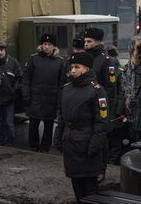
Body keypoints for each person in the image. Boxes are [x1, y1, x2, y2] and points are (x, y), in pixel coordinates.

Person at [53, 52, 109, 203]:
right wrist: (58, 138)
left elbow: (101, 122)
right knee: (77, 187)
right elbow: (62, 118)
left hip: (87, 147)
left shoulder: (97, 90)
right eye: (72, 67)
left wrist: (94, 146)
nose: (72, 70)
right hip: (71, 145)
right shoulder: (66, 88)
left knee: (90, 193)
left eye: (77, 67)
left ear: (86, 68)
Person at [22, 34, 66, 152]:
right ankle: (33, 146)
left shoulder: (59, 62)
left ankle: (45, 147)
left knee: (48, 125)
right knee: (33, 123)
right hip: (35, 97)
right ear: (41, 45)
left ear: (54, 47)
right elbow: (26, 78)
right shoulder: (33, 59)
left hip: (51, 98)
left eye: (49, 44)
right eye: (45, 44)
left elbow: (62, 83)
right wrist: (26, 94)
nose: (46, 47)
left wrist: (59, 99)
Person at [84, 27, 117, 180]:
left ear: (97, 42)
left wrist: (106, 110)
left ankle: (101, 170)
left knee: (101, 139)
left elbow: (111, 88)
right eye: (85, 41)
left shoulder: (106, 60)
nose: (86, 44)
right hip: (86, 104)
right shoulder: (84, 57)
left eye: (89, 41)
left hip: (100, 105)